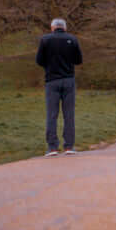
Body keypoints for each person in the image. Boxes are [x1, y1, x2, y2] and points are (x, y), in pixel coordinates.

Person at [36, 17, 83, 156]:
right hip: (68, 80)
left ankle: (52, 148)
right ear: (65, 27)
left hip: (51, 81)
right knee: (69, 115)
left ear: (52, 27)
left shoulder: (45, 40)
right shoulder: (73, 39)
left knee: (52, 114)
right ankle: (69, 146)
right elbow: (78, 60)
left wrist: (50, 66)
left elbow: (39, 60)